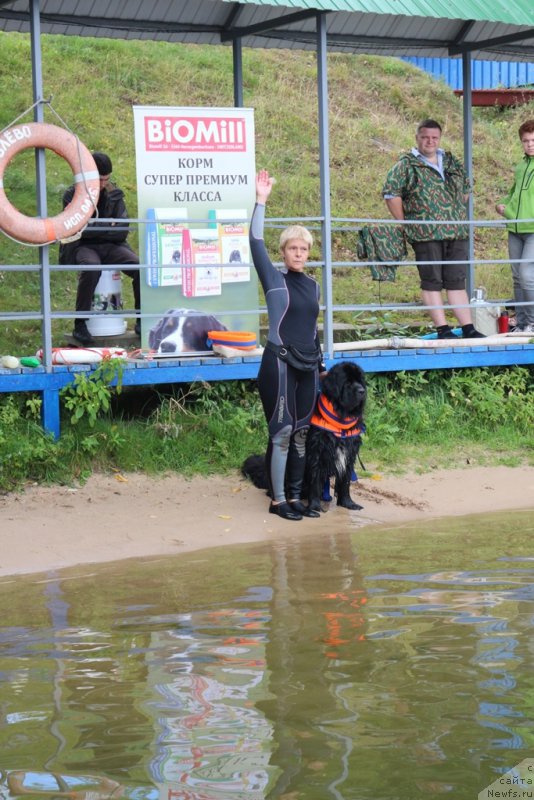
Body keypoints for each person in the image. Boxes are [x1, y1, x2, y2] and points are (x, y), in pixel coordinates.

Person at [250, 169, 324, 521]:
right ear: (283, 252)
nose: (299, 253)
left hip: (307, 365)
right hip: (277, 365)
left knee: (301, 433)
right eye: (293, 248)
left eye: (304, 248)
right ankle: (278, 500)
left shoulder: (313, 286)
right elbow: (254, 242)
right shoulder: (274, 279)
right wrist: (260, 200)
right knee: (280, 433)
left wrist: (320, 362)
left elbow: (312, 329)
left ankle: (296, 496)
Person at [382, 119, 483, 339]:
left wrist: (450, 211)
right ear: (417, 137)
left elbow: (466, 190)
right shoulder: (406, 165)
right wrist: (405, 223)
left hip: (456, 232)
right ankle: (443, 329)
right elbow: (391, 194)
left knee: (457, 280)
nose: (430, 141)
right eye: (425, 137)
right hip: (426, 234)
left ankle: (468, 328)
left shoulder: (451, 161)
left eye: (434, 137)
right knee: (432, 281)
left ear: (440, 138)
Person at [60, 151, 140, 345]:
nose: (103, 183)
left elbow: (122, 231)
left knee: (140, 267)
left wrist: (92, 227)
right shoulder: (72, 195)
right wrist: (106, 227)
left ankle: (141, 319)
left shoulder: (114, 194)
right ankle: (80, 325)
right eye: (100, 179)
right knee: (91, 268)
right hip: (84, 247)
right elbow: (75, 229)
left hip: (112, 245)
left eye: (107, 179)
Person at [496, 119, 534, 334]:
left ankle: (532, 321)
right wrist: (503, 204)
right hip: (515, 228)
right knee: (518, 277)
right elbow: (513, 194)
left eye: (533, 140)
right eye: (525, 141)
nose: (530, 144)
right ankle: (521, 323)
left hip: (533, 230)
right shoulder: (521, 166)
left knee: (528, 274)